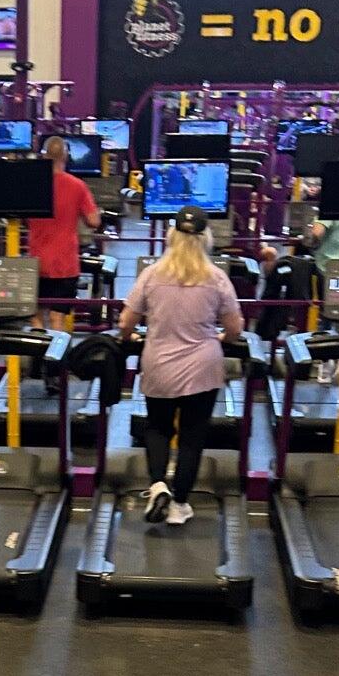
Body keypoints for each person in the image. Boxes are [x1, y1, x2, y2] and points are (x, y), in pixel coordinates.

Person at [118, 206, 244, 527]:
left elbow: (125, 322)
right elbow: (235, 328)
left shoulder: (152, 275)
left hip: (159, 365)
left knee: (158, 428)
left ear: (171, 235)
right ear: (206, 238)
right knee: (192, 435)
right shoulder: (216, 278)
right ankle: (180, 505)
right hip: (202, 367)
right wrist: (220, 336)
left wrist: (132, 336)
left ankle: (159, 484)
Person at [30, 136, 101, 326]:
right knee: (57, 318)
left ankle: (38, 342)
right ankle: (58, 345)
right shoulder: (78, 186)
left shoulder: (33, 184)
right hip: (66, 264)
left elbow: (22, 219)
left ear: (44, 156)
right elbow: (94, 221)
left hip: (37, 263)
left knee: (35, 314)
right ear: (66, 156)